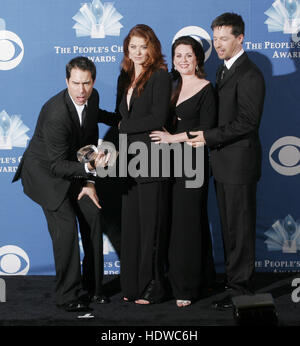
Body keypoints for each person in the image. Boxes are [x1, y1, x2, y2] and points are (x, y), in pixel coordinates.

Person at [12, 56, 113, 312]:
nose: (81, 91)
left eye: (86, 83)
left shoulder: (94, 96)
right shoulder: (56, 113)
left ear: (93, 82)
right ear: (66, 81)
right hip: (46, 175)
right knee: (66, 228)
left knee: (93, 216)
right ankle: (67, 295)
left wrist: (89, 182)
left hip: (73, 169)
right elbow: (56, 166)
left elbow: (92, 121)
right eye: (76, 83)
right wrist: (90, 168)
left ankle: (94, 288)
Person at [188, 13, 266, 310]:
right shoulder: (223, 70)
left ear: (240, 38)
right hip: (223, 164)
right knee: (230, 227)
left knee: (240, 229)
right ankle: (235, 280)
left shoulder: (250, 74)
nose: (218, 45)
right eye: (215, 39)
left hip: (239, 164)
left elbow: (248, 121)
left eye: (224, 39)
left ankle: (241, 290)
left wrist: (207, 137)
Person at [150, 36, 217, 307]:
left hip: (193, 166)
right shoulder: (171, 86)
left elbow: (207, 132)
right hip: (169, 165)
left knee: (186, 226)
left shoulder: (206, 88)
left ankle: (187, 288)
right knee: (175, 223)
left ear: (198, 58)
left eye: (188, 55)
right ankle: (200, 279)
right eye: (178, 55)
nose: (183, 60)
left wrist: (172, 139)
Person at [117, 24, 171, 304]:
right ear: (127, 49)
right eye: (133, 46)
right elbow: (119, 116)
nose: (138, 52)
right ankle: (133, 286)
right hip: (129, 164)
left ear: (152, 48)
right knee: (132, 229)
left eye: (143, 46)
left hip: (153, 161)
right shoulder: (124, 76)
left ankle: (155, 287)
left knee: (151, 229)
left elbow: (157, 117)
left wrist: (123, 126)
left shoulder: (160, 77)